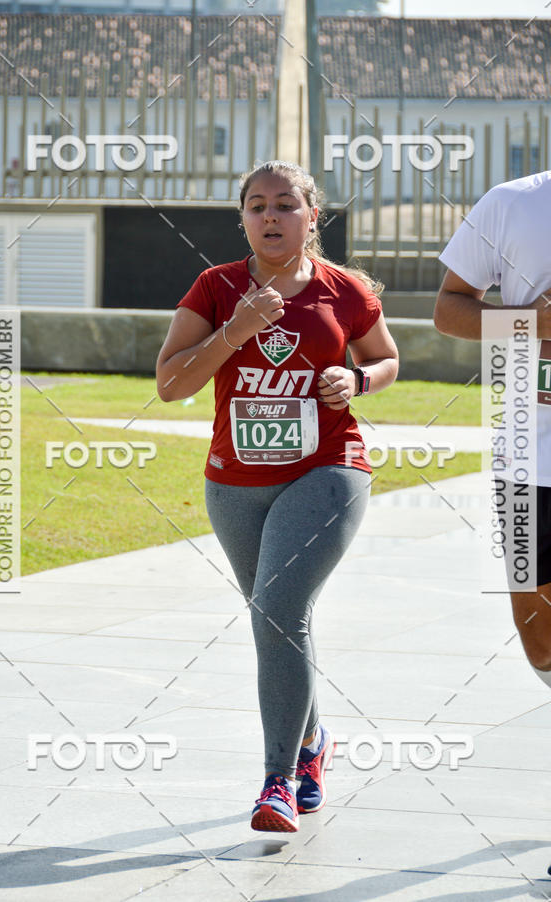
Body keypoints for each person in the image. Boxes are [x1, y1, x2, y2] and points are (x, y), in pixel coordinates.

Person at [156, 160, 399, 832]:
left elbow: (387, 358)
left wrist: (360, 381)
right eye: (257, 205)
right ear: (242, 218)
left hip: (328, 468)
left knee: (277, 609)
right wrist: (235, 328)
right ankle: (313, 743)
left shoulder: (342, 290)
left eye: (285, 204)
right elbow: (171, 385)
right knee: (274, 620)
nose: (270, 216)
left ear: (311, 217)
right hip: (234, 482)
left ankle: (277, 782)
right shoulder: (215, 286)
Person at [435, 170, 551, 691]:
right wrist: (531, 323)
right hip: (529, 454)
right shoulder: (512, 202)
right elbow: (449, 311)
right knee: (540, 640)